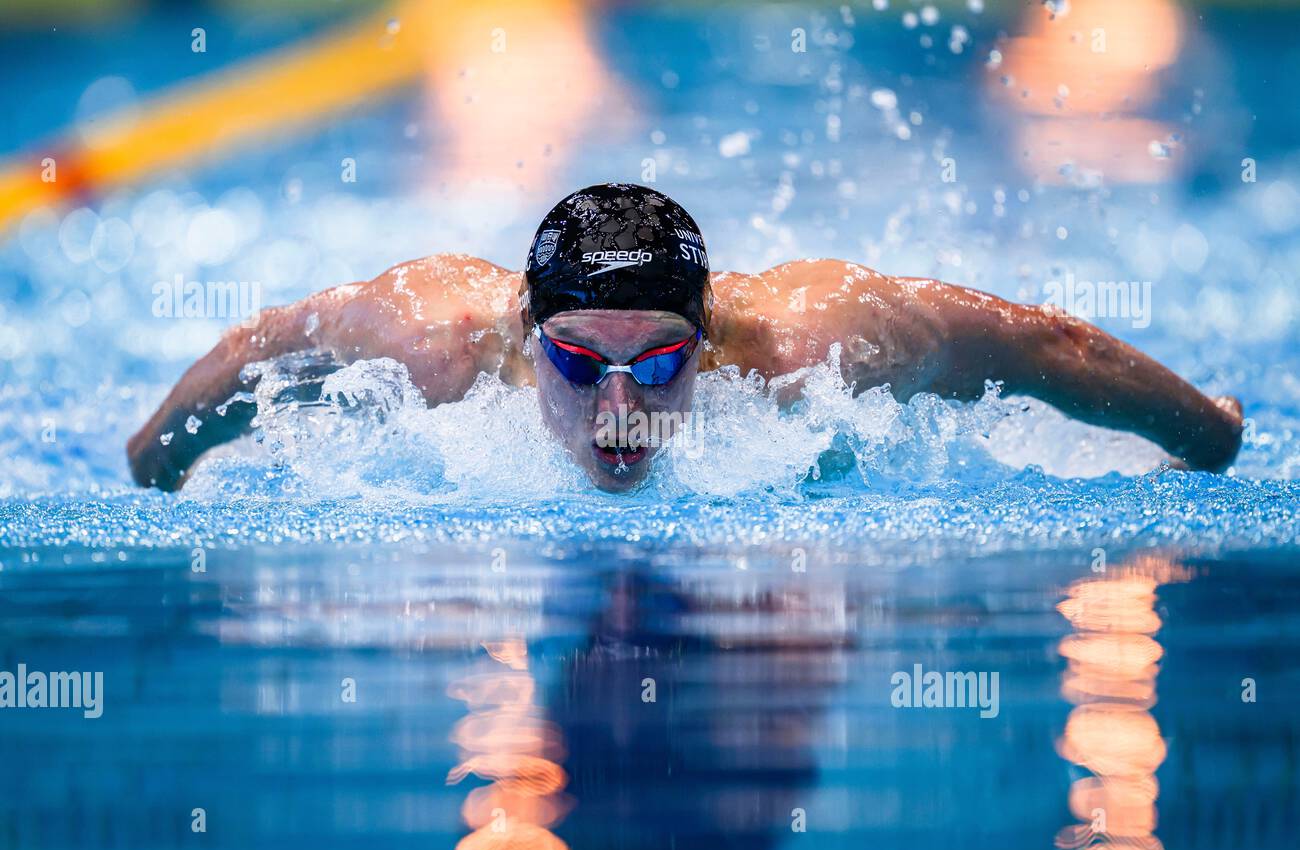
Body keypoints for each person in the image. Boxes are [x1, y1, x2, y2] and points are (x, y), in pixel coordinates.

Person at [127, 182, 1243, 492]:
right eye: (577, 361)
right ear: (527, 329)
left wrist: (1207, 437)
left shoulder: (812, 348)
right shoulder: (434, 342)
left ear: (708, 343)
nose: (619, 407)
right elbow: (259, 349)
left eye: (657, 361)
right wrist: (160, 460)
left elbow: (1038, 344)